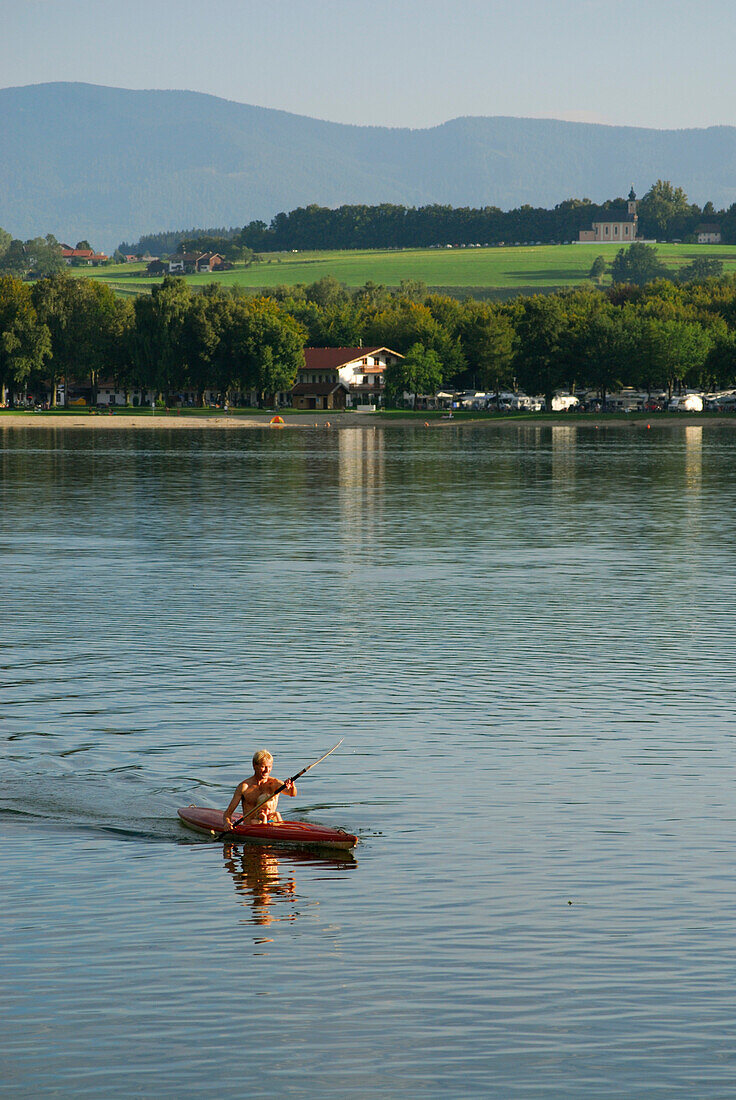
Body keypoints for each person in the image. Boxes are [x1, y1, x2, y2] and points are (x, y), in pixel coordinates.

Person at [223, 750, 296, 828]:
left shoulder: (275, 783)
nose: (267, 770)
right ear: (254, 765)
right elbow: (228, 813)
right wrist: (227, 823)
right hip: (250, 827)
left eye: (269, 767)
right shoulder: (244, 787)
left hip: (272, 826)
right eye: (263, 767)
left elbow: (292, 794)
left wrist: (292, 786)